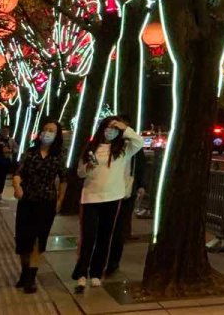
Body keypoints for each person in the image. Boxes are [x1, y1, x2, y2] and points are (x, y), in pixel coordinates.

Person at [72, 116, 141, 292]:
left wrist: (124, 127)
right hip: (90, 198)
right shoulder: (91, 147)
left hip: (112, 198)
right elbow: (80, 172)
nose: (111, 131)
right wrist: (87, 168)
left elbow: (139, 141)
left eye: (114, 128)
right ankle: (81, 273)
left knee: (105, 237)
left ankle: (96, 273)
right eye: (108, 127)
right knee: (88, 237)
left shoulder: (123, 149)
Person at [12, 120, 66, 293]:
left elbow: (64, 179)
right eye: (45, 129)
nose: (47, 133)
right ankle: (24, 272)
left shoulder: (59, 155)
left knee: (38, 241)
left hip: (46, 202)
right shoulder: (30, 152)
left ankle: (31, 278)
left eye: (52, 131)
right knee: (23, 240)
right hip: (27, 200)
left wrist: (60, 200)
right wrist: (17, 187)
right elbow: (18, 174)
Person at [104, 115, 146, 277]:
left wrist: (141, 185)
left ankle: (113, 262)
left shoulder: (132, 148)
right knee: (105, 229)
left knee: (118, 230)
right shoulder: (108, 147)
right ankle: (101, 260)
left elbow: (140, 165)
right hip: (107, 194)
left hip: (126, 194)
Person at [0, 129, 15, 201]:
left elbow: (16, 148)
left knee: (2, 178)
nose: (5, 133)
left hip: (5, 162)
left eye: (6, 131)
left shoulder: (11, 140)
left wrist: (11, 150)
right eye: (3, 131)